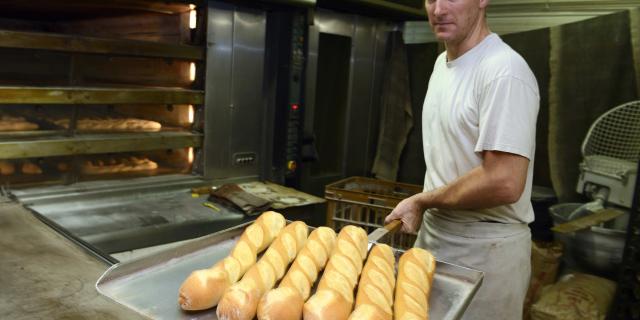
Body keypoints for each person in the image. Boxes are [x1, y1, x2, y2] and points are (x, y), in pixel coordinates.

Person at [384, 0, 540, 319]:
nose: (438, 9)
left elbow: (504, 181)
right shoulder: (442, 63)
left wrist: (422, 201)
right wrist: (425, 205)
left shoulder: (503, 71)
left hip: (485, 253)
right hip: (436, 237)